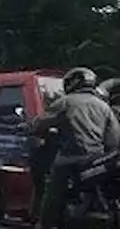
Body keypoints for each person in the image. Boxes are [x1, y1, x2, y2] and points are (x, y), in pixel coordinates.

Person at [33, 66, 120, 228]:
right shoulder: (103, 106)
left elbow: (39, 125)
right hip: (99, 160)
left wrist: (45, 132)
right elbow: (114, 139)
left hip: (71, 158)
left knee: (52, 194)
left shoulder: (66, 102)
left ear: (72, 83)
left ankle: (45, 224)